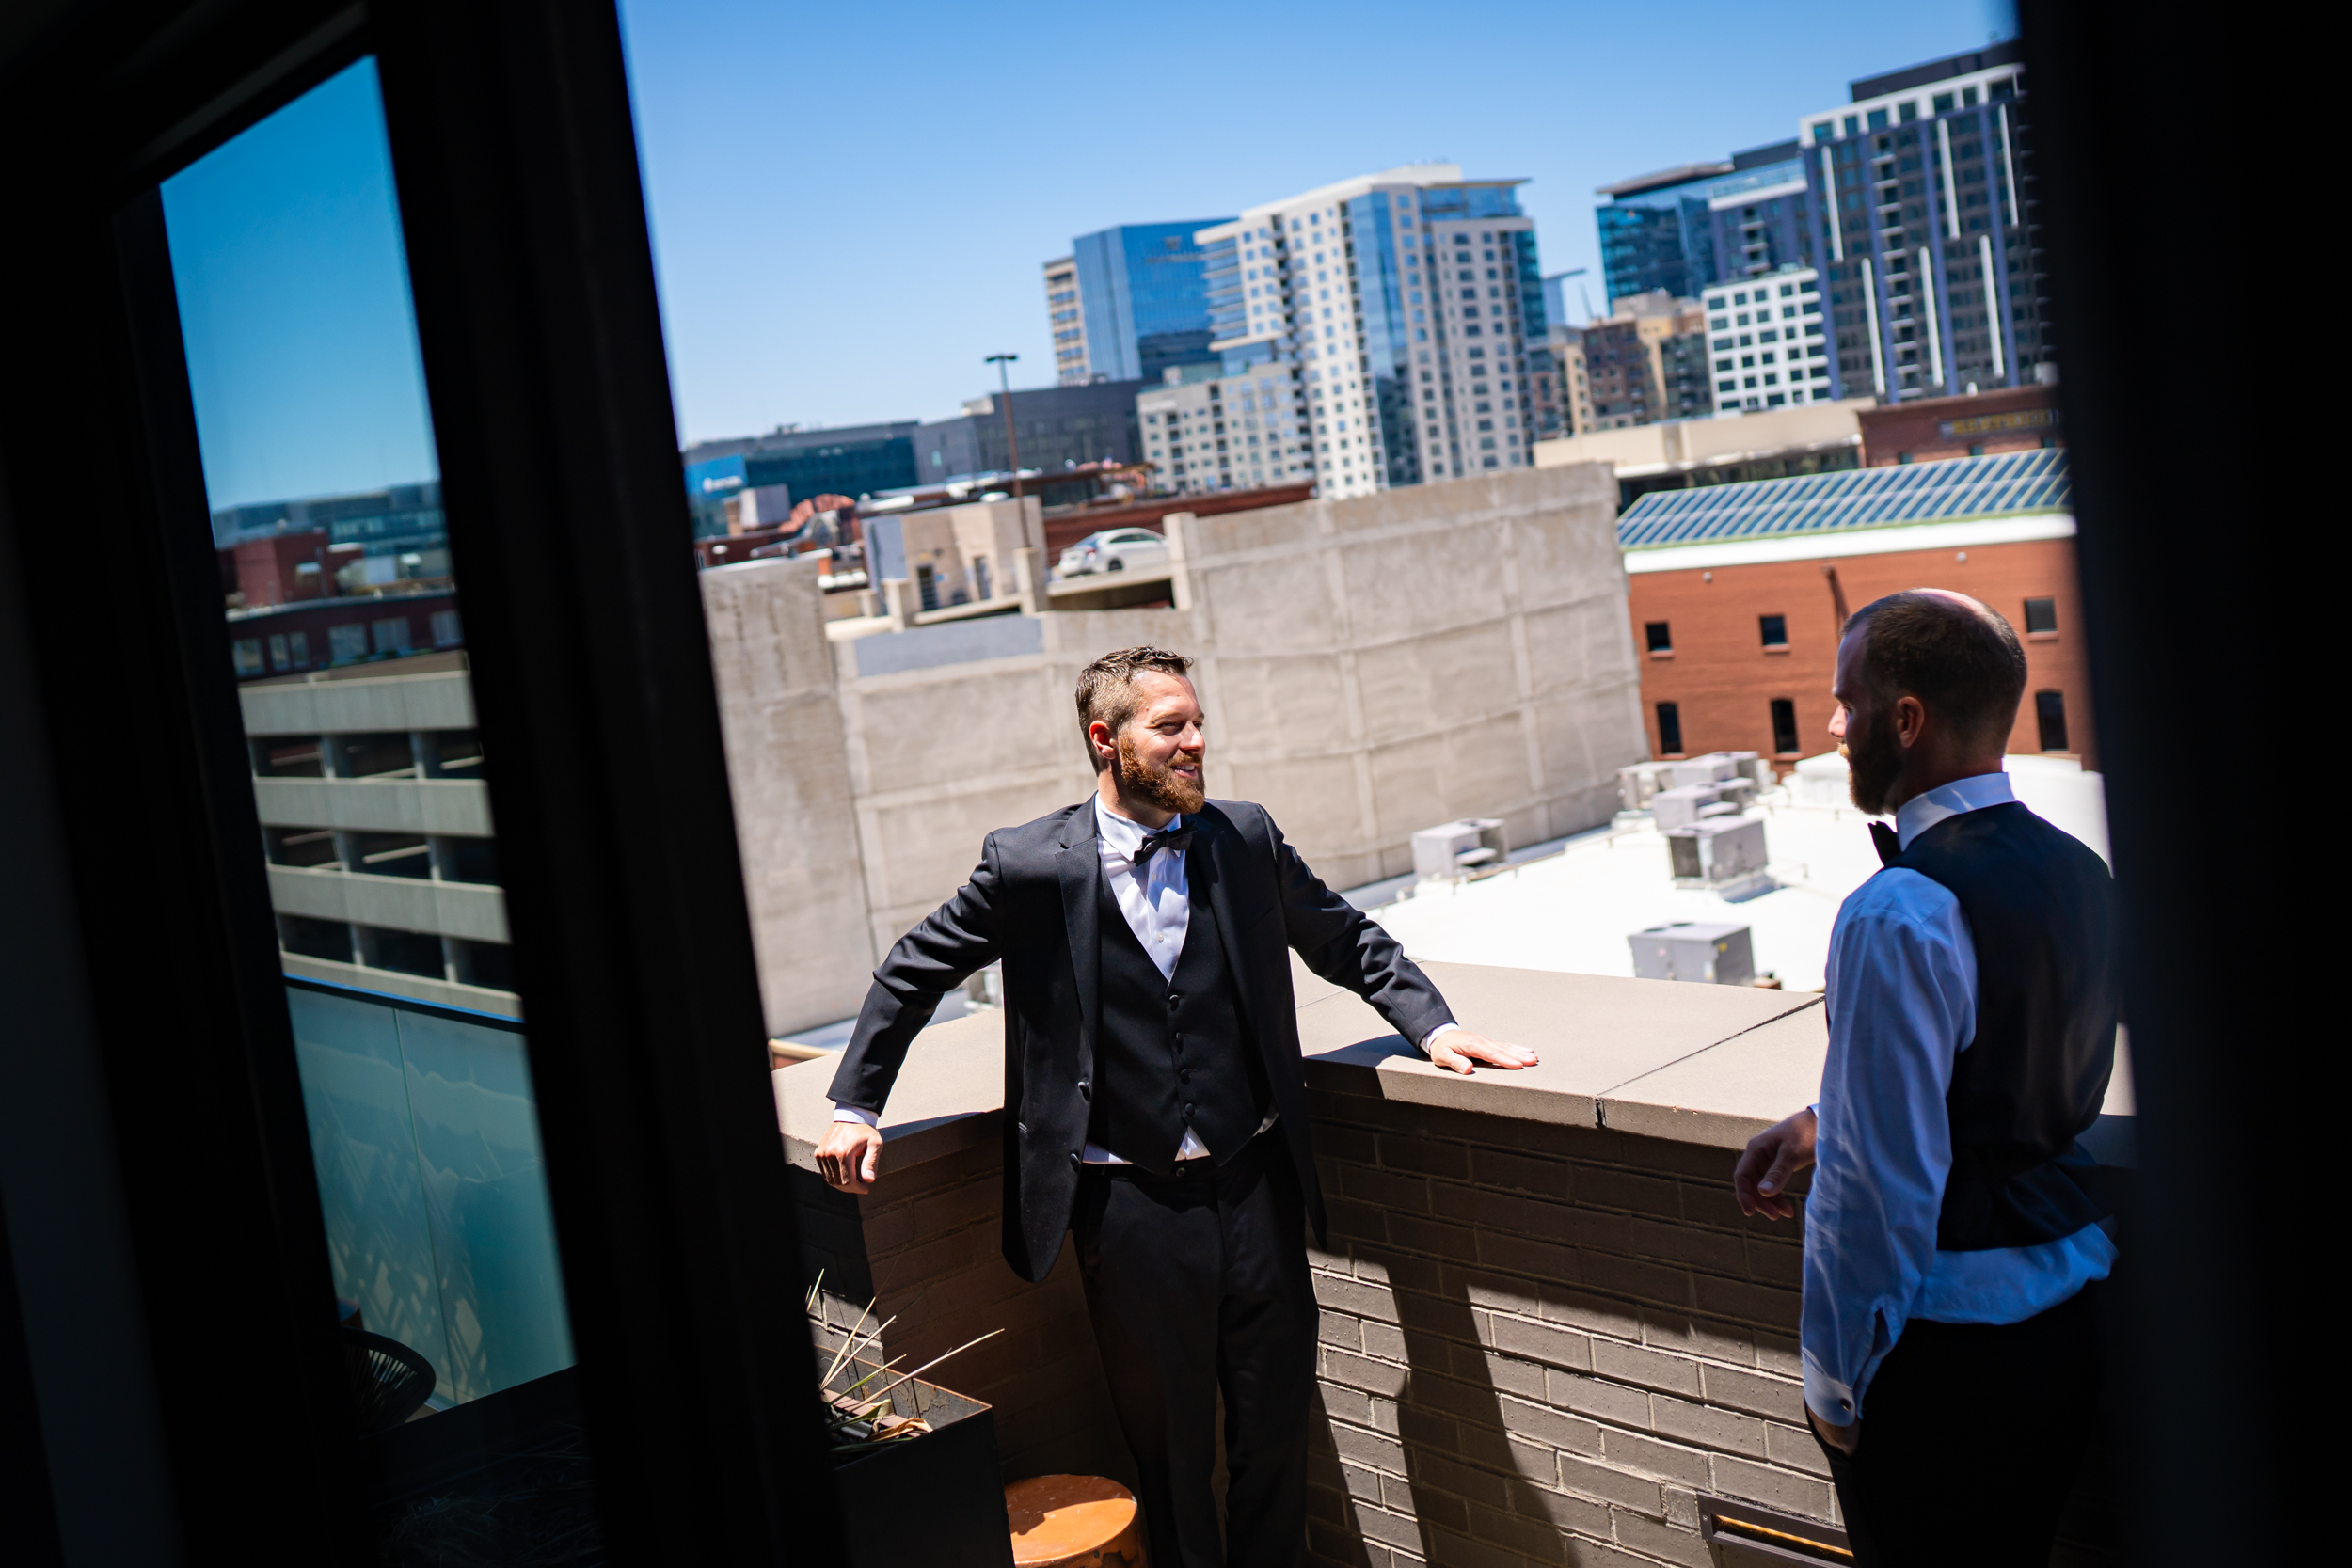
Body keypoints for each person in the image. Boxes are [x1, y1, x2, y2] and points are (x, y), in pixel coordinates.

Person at [816, 645, 1535, 1568]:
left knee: (1274, 1430)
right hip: (1128, 1208)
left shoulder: (1244, 835)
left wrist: (1433, 1027)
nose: (1197, 740)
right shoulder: (1030, 863)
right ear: (1104, 739)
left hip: (1254, 1186)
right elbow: (912, 971)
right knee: (1170, 1447)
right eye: (1171, 726)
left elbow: (1342, 935)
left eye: (1197, 721)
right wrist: (856, 1104)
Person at [1733, 591, 2118, 1568]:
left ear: (1906, 719)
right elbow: (2000, 1064)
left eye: (1845, 700)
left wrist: (1831, 1382)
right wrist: (1833, 1113)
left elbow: (1877, 1192)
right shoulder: (2080, 868)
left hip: (1944, 1357)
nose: (1828, 724)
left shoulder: (1897, 907)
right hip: (2069, 1324)